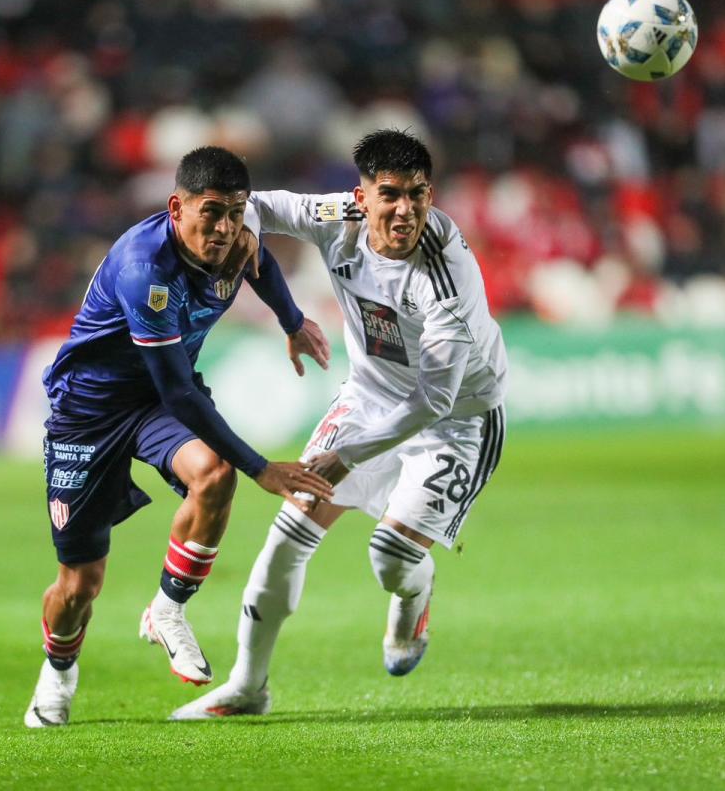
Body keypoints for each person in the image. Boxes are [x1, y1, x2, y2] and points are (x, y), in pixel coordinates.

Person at [170, 129, 508, 720]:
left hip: (457, 421)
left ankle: (415, 595)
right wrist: (246, 223)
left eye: (419, 195)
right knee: (285, 539)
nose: (406, 210)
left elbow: (434, 399)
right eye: (391, 194)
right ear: (363, 196)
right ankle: (249, 687)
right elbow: (269, 202)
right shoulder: (338, 216)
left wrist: (347, 456)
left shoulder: (445, 277)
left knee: (391, 558)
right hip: (371, 398)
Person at [25, 146, 335, 728]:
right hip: (89, 414)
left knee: (213, 473)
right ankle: (58, 670)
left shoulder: (236, 238)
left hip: (152, 403)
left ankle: (167, 611)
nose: (223, 229)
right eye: (210, 212)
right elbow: (180, 396)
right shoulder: (145, 269)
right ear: (176, 207)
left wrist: (292, 322)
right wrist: (263, 468)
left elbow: (259, 261)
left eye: (235, 213)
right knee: (80, 583)